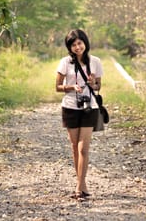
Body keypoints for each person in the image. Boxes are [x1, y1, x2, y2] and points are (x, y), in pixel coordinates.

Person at [56, 29, 103, 201]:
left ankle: (78, 188)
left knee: (84, 148)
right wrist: (71, 87)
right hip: (70, 107)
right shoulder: (65, 62)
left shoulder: (95, 61)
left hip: (89, 107)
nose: (77, 47)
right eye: (73, 45)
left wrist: (93, 83)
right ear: (70, 47)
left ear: (85, 42)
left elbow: (98, 86)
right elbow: (57, 87)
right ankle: (82, 184)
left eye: (80, 43)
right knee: (75, 148)